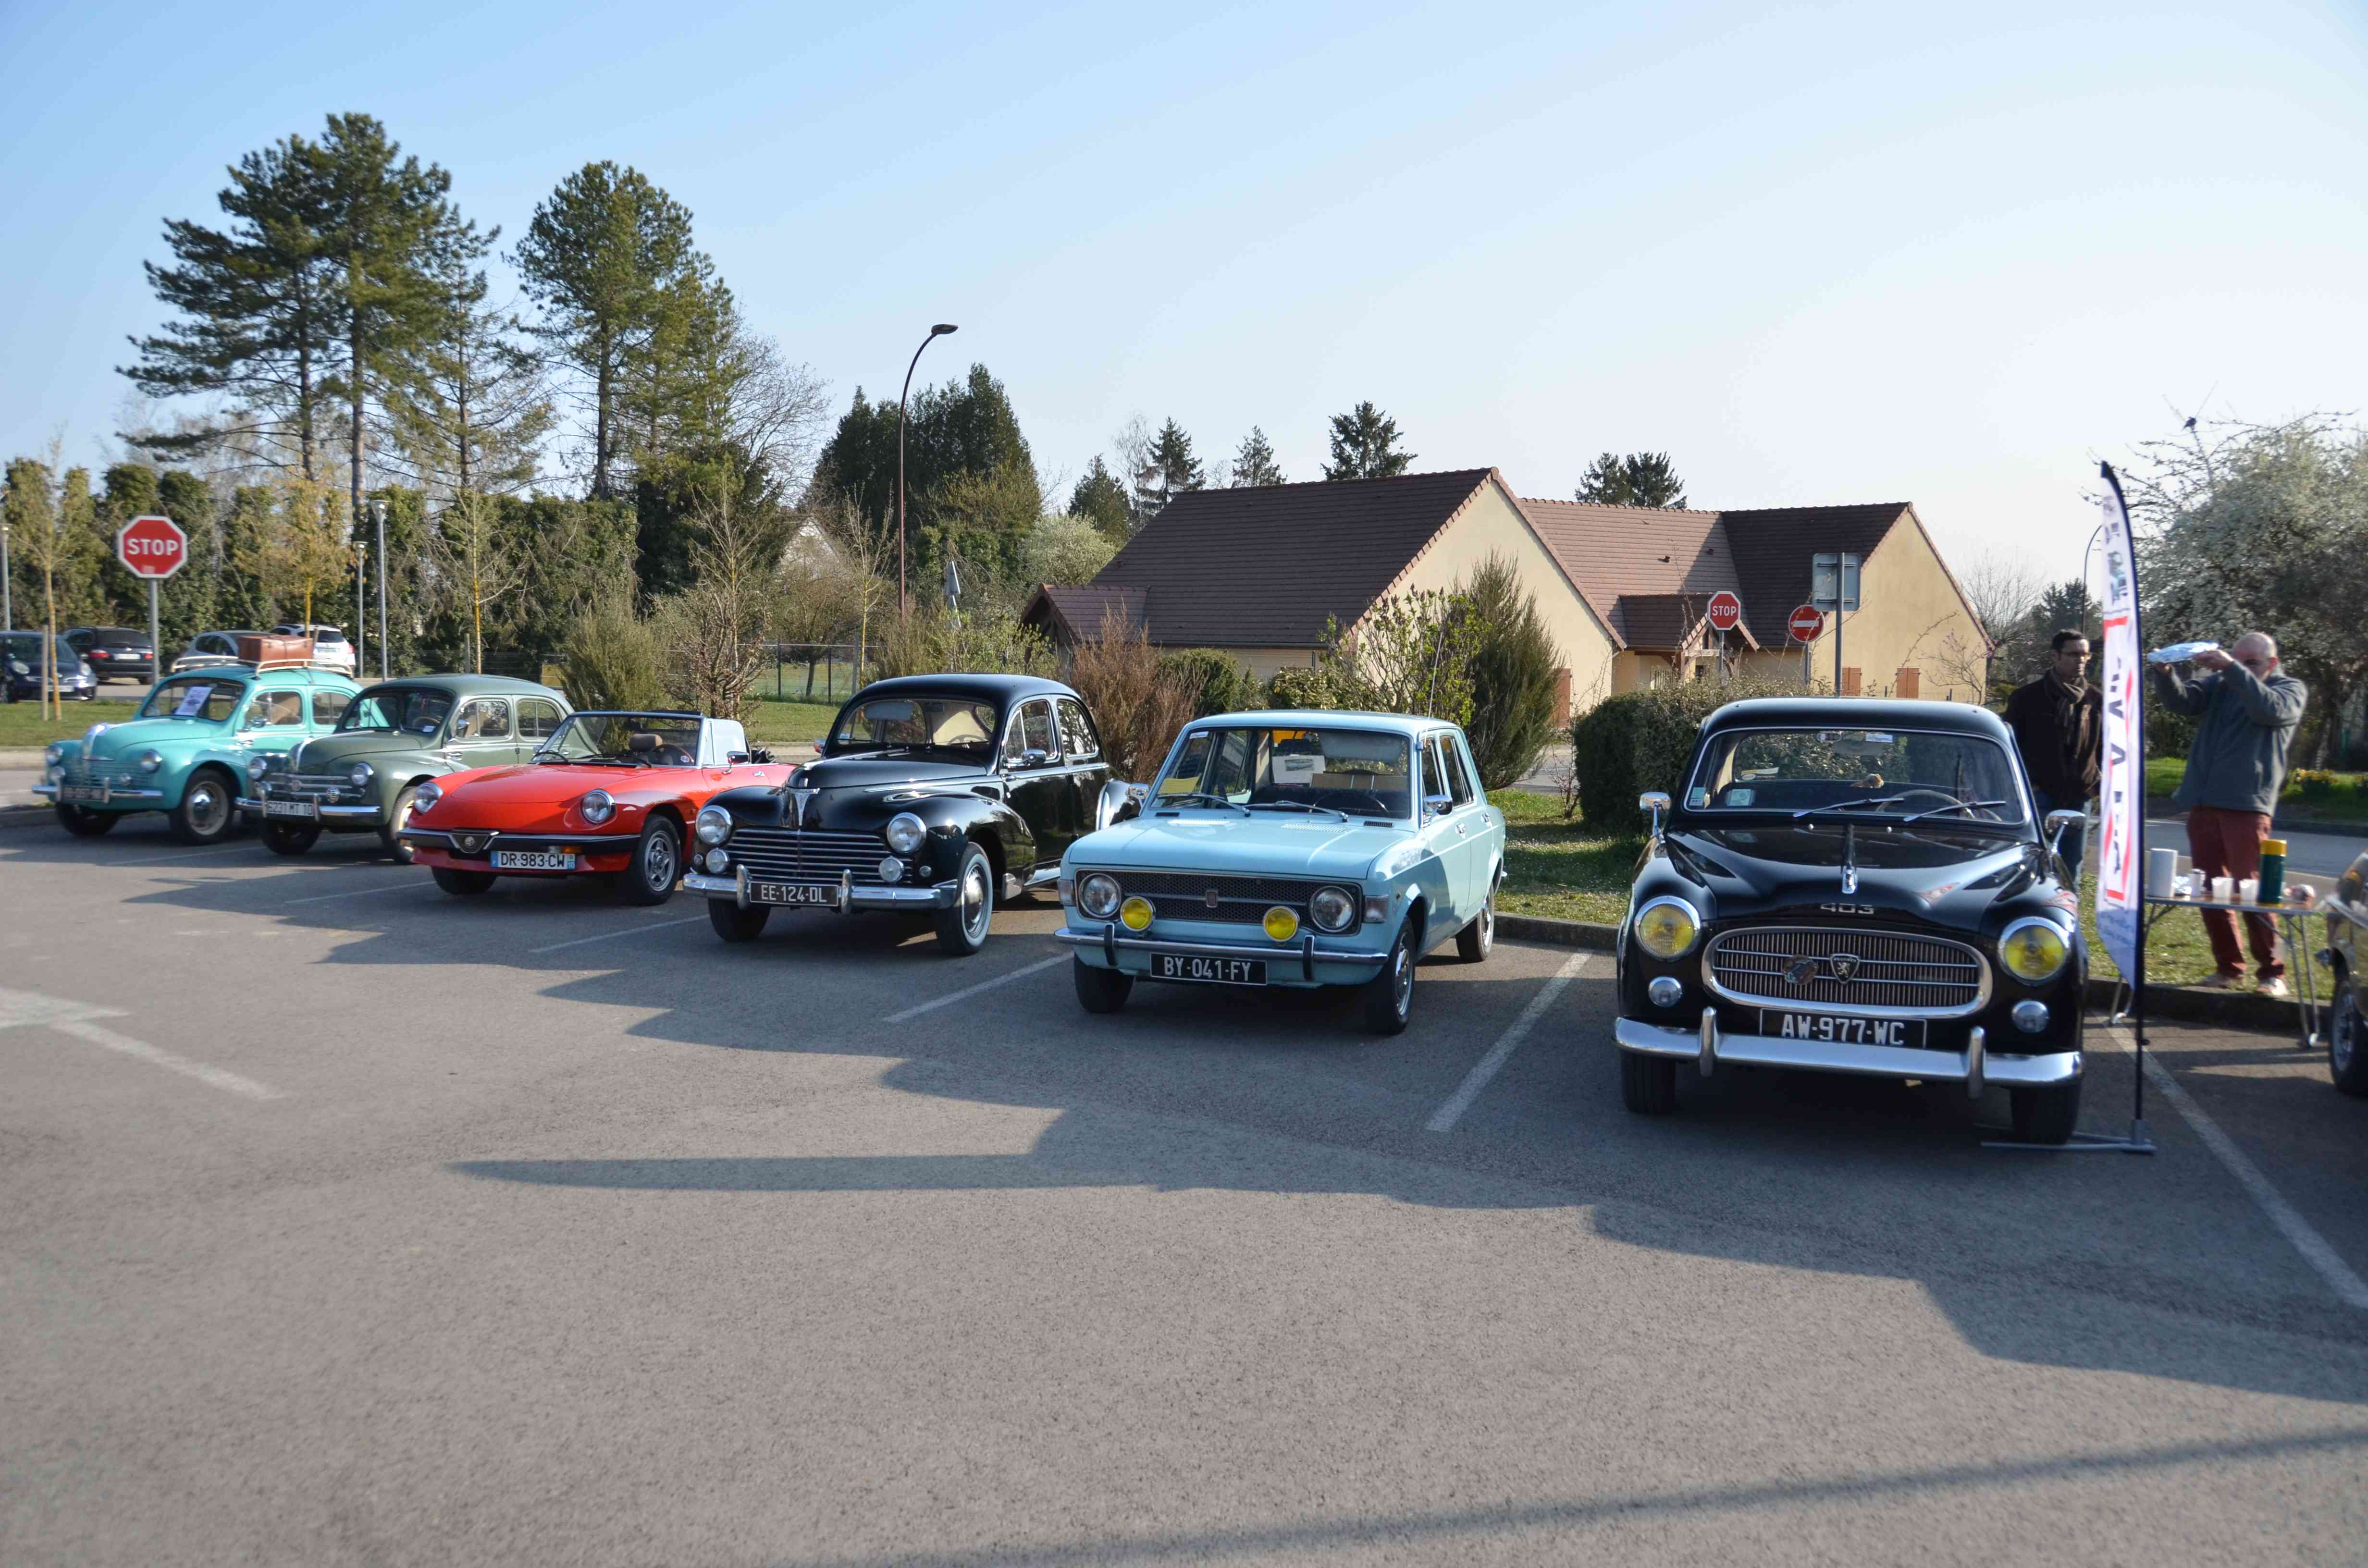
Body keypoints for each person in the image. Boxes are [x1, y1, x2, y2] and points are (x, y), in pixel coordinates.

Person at [2153, 631, 2308, 996]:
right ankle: (2229, 967)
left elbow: (2268, 709)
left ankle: (2273, 973)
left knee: (2254, 891)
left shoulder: (2289, 689)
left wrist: (2231, 669)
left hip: (2247, 805)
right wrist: (2164, 672)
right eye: (2237, 660)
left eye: (2250, 662)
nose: (2240, 667)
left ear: (2272, 663)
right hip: (2204, 801)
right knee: (2209, 890)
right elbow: (2183, 703)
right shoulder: (2222, 683)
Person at [2004, 630, 2102, 876]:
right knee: (2034, 863)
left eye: (2085, 655)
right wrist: (2031, 786)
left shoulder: (2096, 700)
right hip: (2039, 794)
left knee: (2070, 866)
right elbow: (2010, 746)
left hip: (2078, 795)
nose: (2081, 660)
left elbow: (2104, 747)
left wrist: (2095, 786)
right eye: (2074, 654)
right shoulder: (2028, 698)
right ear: (2056, 656)